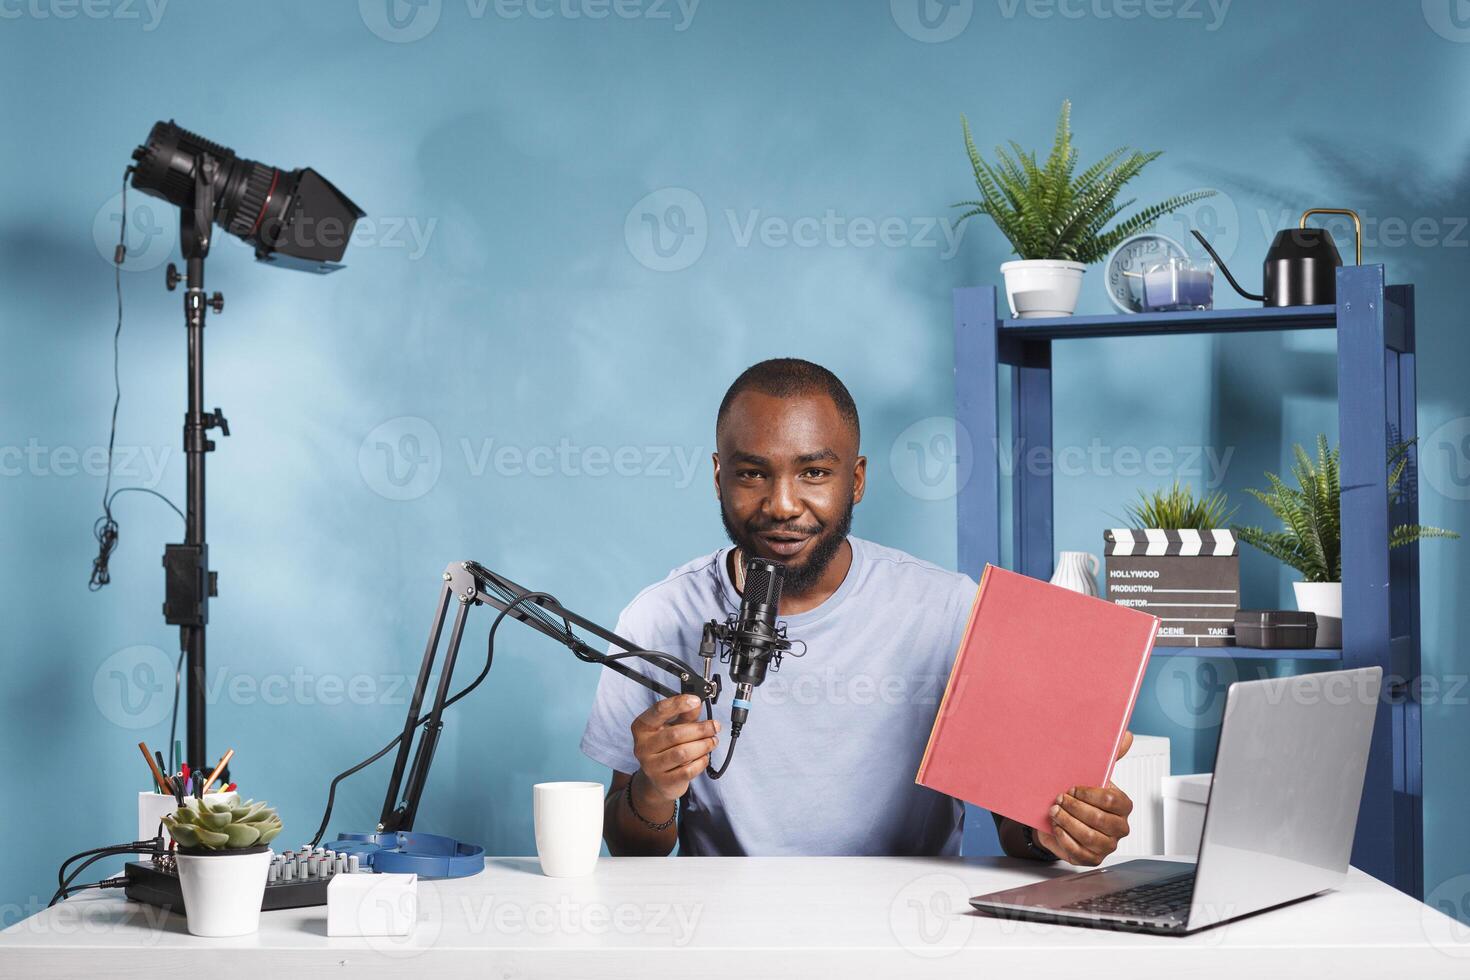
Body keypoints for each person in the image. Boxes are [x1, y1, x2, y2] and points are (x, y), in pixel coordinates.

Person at [580, 358, 1133, 863]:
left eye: (814, 473)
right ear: (718, 477)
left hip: (912, 935)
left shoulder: (949, 611)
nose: (783, 505)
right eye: (752, 473)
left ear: (857, 480)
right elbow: (629, 845)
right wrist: (654, 789)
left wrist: (1061, 827)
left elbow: (1017, 830)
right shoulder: (658, 618)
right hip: (731, 937)